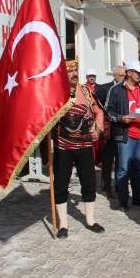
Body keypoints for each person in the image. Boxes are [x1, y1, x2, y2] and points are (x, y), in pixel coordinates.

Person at [53, 60, 105, 239]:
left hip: (85, 146)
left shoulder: (87, 91)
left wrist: (97, 129)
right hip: (63, 147)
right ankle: (63, 225)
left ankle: (90, 220)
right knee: (60, 185)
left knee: (89, 183)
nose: (74, 73)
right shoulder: (55, 92)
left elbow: (99, 111)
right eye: (70, 71)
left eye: (75, 70)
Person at [106, 61, 140, 210]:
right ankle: (123, 201)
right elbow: (108, 111)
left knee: (138, 169)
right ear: (129, 73)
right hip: (125, 135)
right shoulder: (116, 90)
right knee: (123, 169)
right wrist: (121, 118)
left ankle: (138, 198)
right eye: (138, 72)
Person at [95, 66, 126, 198]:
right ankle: (107, 186)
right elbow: (96, 107)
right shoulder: (103, 89)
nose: (126, 78)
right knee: (107, 161)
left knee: (121, 160)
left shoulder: (126, 89)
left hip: (122, 130)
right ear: (116, 76)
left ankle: (120, 186)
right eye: (124, 76)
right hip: (108, 131)